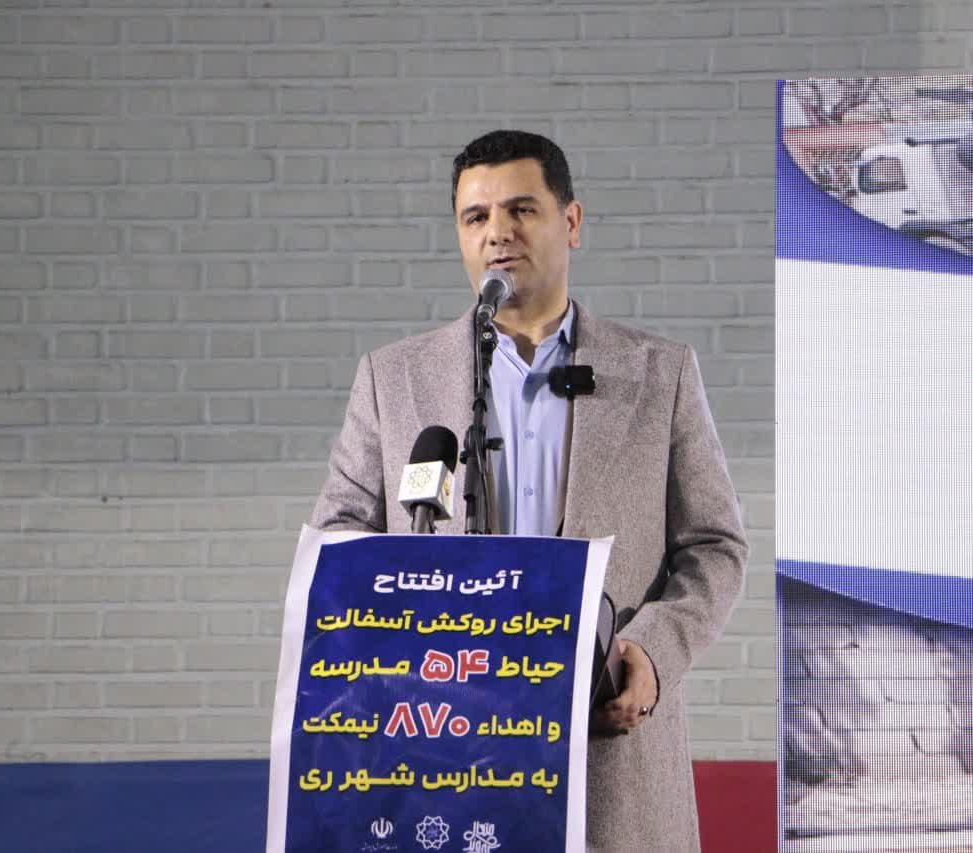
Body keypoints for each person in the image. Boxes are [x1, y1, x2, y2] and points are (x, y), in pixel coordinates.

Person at [310, 129, 748, 852]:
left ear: (570, 222)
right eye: (476, 216)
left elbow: (715, 544)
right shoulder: (393, 378)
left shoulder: (659, 372)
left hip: (611, 757)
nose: (498, 233)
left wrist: (653, 652)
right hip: (443, 756)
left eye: (521, 209)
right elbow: (340, 540)